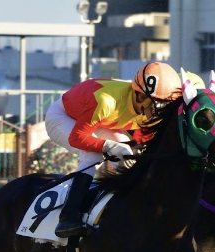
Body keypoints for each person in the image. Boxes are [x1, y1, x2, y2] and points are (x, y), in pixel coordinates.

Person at [47, 61, 183, 239]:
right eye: (158, 104)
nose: (160, 111)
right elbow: (77, 138)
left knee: (130, 153)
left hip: (102, 120)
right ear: (140, 96)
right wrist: (107, 146)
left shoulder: (144, 104)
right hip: (63, 116)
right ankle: (68, 216)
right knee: (93, 154)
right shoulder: (106, 101)